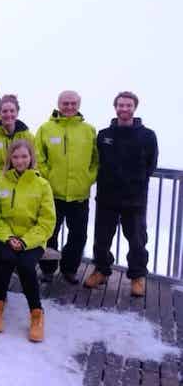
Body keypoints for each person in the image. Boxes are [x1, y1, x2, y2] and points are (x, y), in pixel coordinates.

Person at [84, 91, 158, 297]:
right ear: (115, 107)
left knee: (137, 240)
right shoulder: (104, 134)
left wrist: (136, 183)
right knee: (101, 239)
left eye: (128, 105)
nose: (124, 109)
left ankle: (137, 277)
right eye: (121, 105)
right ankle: (101, 270)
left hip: (134, 200)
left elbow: (151, 165)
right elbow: (97, 161)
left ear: (135, 108)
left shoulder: (147, 135)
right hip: (107, 197)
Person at [0, 140, 55, 342]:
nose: (20, 161)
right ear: (9, 159)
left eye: (24, 156)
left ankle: (36, 313)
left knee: (26, 266)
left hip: (32, 239)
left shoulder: (42, 185)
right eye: (15, 157)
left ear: (31, 158)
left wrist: (25, 241)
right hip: (4, 237)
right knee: (5, 260)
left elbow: (47, 221)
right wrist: (8, 237)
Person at [35, 91, 98, 284]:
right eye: (65, 103)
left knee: (78, 236)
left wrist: (89, 178)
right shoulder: (46, 128)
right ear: (58, 104)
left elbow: (96, 160)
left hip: (79, 194)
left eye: (73, 103)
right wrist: (48, 178)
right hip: (52, 194)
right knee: (50, 234)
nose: (69, 107)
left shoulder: (88, 130)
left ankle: (69, 269)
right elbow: (38, 157)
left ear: (78, 105)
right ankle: (48, 269)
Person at [0, 94, 34, 184]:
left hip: (24, 182)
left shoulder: (28, 136)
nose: (8, 114)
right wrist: (5, 177)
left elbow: (35, 160)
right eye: (5, 111)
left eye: (12, 111)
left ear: (17, 113)